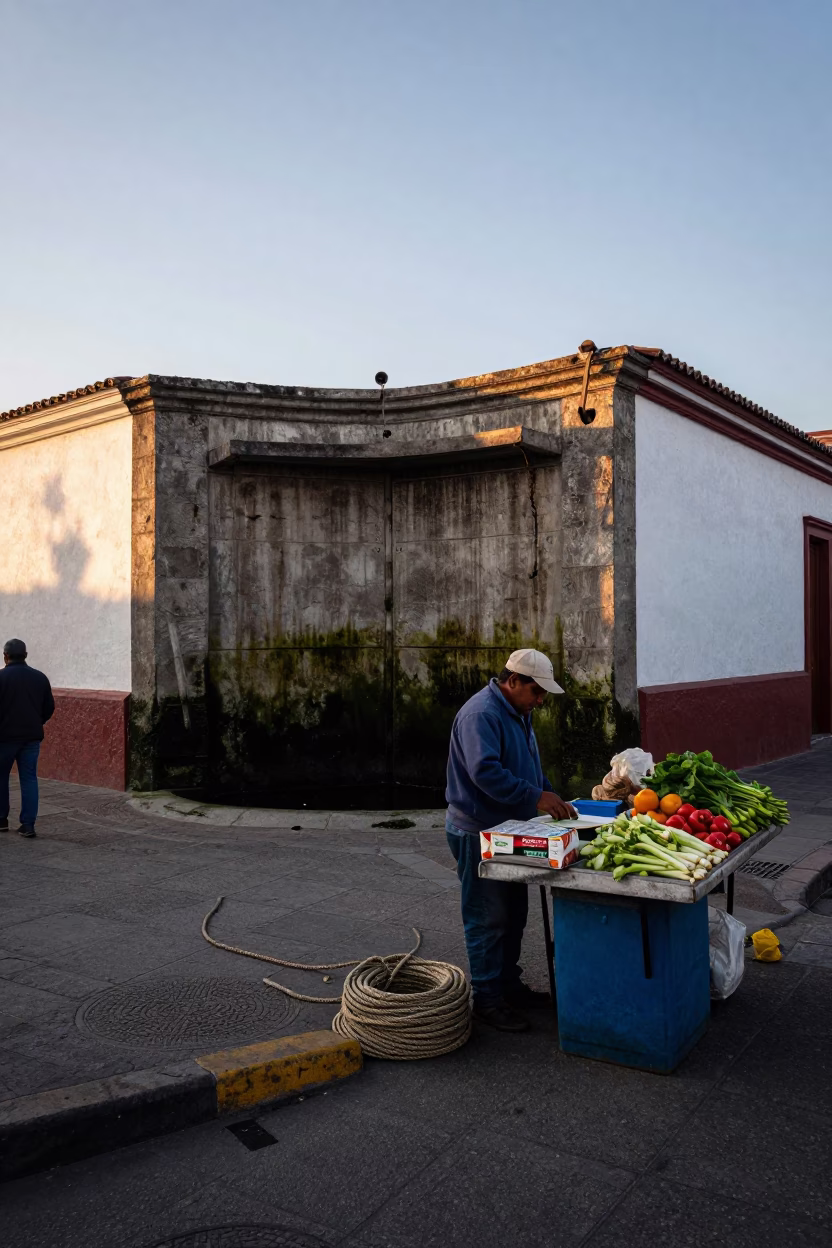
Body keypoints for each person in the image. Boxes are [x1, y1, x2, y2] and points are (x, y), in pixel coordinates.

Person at [445, 648, 576, 1032]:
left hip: (506, 827)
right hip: (476, 830)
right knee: (488, 918)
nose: (540, 702)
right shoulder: (481, 714)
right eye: (536, 692)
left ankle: (508, 986)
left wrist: (548, 792)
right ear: (513, 681)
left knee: (513, 914)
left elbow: (528, 765)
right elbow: (485, 772)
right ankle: (487, 999)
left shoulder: (518, 711)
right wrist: (536, 797)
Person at [0, 639, 55, 839]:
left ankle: (1, 820)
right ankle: (28, 825)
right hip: (31, 738)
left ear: (5, 656)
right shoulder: (40, 678)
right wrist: (36, 721)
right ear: (26, 654)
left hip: (4, 738)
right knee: (29, 778)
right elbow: (49, 708)